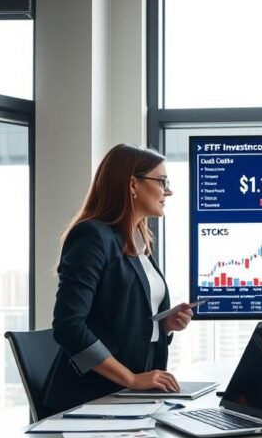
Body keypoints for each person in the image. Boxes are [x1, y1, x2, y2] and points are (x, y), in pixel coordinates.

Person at [43, 143, 193, 414]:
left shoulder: (136, 241)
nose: (168, 191)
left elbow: (117, 317)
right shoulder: (91, 236)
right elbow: (68, 326)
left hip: (128, 397)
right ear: (132, 184)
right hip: (90, 399)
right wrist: (131, 379)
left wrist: (164, 325)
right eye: (162, 181)